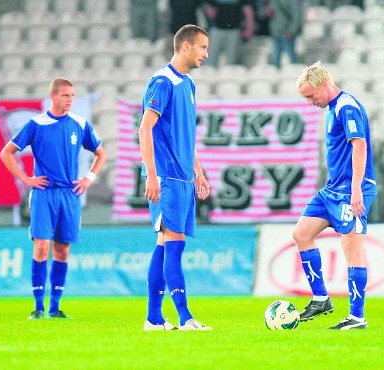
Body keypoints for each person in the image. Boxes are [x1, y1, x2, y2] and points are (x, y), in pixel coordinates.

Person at [0, 77, 107, 320]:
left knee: (62, 250)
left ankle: (55, 307)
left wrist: (89, 177)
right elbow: (6, 153)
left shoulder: (79, 124)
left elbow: (101, 153)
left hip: (69, 195)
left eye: (72, 95)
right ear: (54, 97)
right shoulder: (36, 124)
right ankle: (37, 307)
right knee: (41, 246)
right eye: (66, 95)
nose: (70, 100)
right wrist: (26, 179)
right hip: (44, 193)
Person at [138, 24, 212, 331]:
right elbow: (145, 129)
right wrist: (152, 176)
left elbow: (187, 136)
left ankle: (154, 318)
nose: (206, 54)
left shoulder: (189, 85)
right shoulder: (163, 81)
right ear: (184, 47)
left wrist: (199, 173)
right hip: (166, 177)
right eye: (202, 48)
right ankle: (185, 318)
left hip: (183, 179)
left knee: (164, 244)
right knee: (175, 244)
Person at [293, 62, 376, 330]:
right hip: (331, 189)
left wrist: (355, 190)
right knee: (301, 234)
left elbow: (359, 144)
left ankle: (357, 317)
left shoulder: (346, 106)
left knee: (352, 250)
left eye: (309, 95)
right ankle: (320, 298)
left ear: (322, 85)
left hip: (352, 191)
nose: (309, 102)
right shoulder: (332, 108)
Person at [203, 0, 254, 66]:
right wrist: (209, 11)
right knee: (209, 63)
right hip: (217, 30)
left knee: (231, 64)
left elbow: (248, 10)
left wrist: (249, 28)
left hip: (234, 31)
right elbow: (207, 6)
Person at [268, 0, 303, 68]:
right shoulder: (273, 1)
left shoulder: (293, 2)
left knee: (291, 61)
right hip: (275, 33)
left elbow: (297, 17)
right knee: (275, 61)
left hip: (287, 35)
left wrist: (291, 31)